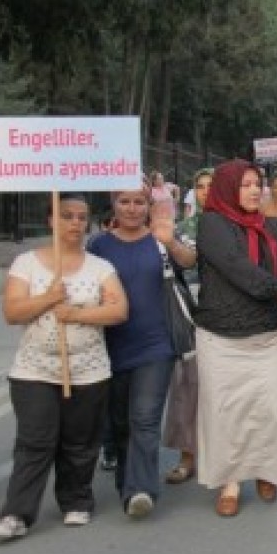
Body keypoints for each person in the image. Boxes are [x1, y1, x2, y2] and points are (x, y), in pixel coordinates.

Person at [0, 195, 128, 540]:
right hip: (34, 370)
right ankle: (17, 513)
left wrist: (76, 313)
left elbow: (119, 310)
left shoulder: (100, 267)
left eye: (82, 217)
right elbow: (12, 312)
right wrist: (48, 299)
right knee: (36, 441)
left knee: (81, 441)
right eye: (66, 216)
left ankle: (76, 499)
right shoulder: (26, 263)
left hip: (89, 369)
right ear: (51, 220)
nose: (75, 223)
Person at [195, 160, 277, 517]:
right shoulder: (212, 224)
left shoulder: (271, 226)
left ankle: (264, 470)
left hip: (270, 336)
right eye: (245, 185)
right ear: (228, 189)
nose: (254, 190)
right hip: (222, 338)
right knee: (227, 413)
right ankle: (230, 482)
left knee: (271, 411)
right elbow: (235, 266)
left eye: (256, 184)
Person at [89, 185, 197, 518]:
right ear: (113, 205)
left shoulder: (160, 241)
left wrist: (171, 242)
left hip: (156, 345)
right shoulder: (98, 246)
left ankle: (141, 490)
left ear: (149, 205)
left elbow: (191, 261)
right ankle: (126, 481)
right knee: (119, 422)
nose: (132, 209)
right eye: (125, 202)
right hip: (110, 345)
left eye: (139, 202)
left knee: (145, 418)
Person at [162, 168, 213, 485]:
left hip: (228, 321)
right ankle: (187, 455)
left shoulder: (236, 226)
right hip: (190, 319)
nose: (207, 191)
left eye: (213, 186)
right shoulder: (181, 231)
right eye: (201, 186)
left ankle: (221, 457)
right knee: (186, 389)